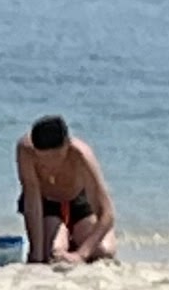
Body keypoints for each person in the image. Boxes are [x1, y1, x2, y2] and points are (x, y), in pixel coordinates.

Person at [15, 114, 118, 267]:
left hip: (79, 202)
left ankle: (73, 239)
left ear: (67, 145)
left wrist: (81, 254)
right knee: (53, 253)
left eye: (56, 157)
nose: (50, 164)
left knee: (104, 251)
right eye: (43, 160)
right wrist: (36, 254)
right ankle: (64, 238)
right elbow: (32, 198)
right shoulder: (26, 151)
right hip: (48, 203)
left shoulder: (81, 155)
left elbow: (108, 213)